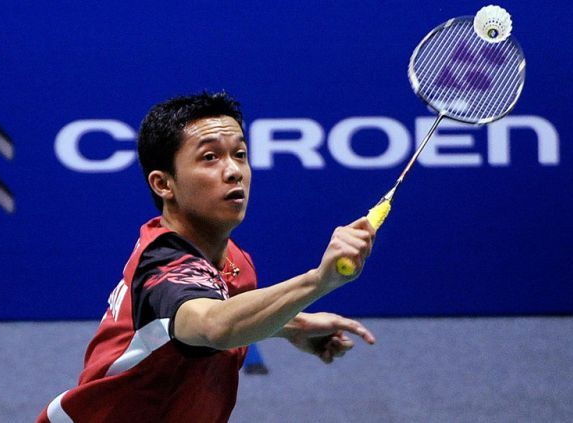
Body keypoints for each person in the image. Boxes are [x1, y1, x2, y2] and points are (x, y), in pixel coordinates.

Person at [37, 92, 376, 423]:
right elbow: (214, 325)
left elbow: (181, 328)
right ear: (163, 184)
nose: (234, 171)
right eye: (210, 158)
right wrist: (319, 281)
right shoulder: (164, 269)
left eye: (240, 154)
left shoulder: (234, 259)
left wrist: (293, 326)